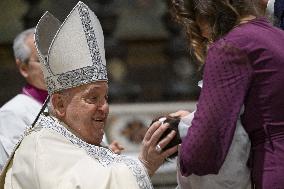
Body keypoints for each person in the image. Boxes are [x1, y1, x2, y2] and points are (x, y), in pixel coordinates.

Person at [0, 2, 178, 188]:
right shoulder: (42, 147)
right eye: (93, 98)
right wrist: (144, 165)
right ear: (60, 105)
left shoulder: (74, 137)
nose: (104, 107)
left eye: (106, 98)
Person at [167, 0, 284, 188]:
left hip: (274, 168)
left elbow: (203, 151)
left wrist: (181, 129)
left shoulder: (231, 47)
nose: (205, 38)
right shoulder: (278, 36)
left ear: (204, 10)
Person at [0, 28, 48, 170]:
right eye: (43, 59)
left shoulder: (77, 104)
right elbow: (16, 172)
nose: (53, 66)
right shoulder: (12, 113)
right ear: (23, 67)